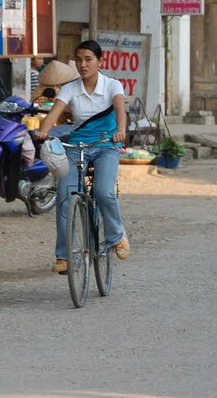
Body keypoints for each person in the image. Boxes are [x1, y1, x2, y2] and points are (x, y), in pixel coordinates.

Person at [36, 40, 129, 274]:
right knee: (65, 196)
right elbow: (54, 112)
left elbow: (120, 109)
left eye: (88, 59)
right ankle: (63, 256)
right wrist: (43, 131)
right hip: (76, 147)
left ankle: (117, 235)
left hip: (106, 145)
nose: (83, 64)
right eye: (79, 59)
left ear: (100, 61)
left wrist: (121, 130)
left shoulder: (112, 85)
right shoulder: (70, 88)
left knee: (103, 191)